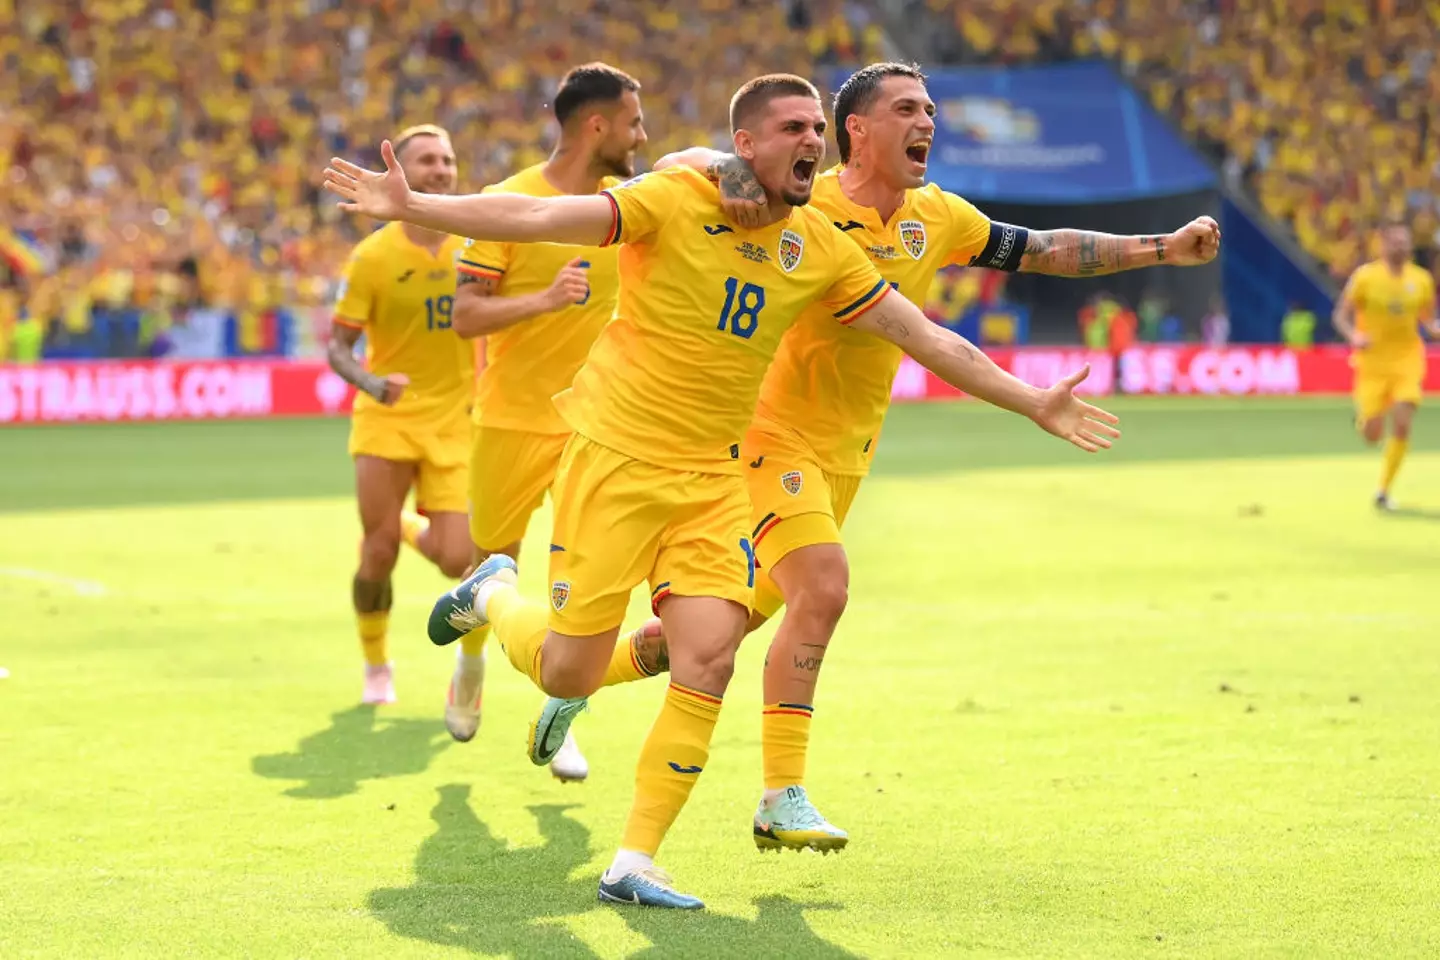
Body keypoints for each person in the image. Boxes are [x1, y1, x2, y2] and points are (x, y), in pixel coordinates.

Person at [324, 73, 1121, 910]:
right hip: (614, 459)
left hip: (713, 476)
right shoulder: (675, 197)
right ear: (744, 147)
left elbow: (923, 335)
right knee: (567, 672)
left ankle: (635, 859)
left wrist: (1031, 399)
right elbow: (535, 216)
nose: (811, 141)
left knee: (707, 652)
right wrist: (416, 207)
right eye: (790, 128)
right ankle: (493, 595)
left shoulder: (819, 248)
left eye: (817, 127)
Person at [588, 61, 1222, 855]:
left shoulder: (938, 216)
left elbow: (1047, 249)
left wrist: (1160, 246)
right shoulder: (801, 193)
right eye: (907, 109)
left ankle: (580, 681)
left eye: (930, 109)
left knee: (730, 626)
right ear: (856, 128)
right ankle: (782, 793)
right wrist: (717, 162)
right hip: (765, 435)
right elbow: (681, 168)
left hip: (845, 452)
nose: (927, 121)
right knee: (824, 585)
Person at [440, 63, 652, 781]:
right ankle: (470, 665)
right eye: (633, 121)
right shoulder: (508, 202)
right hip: (510, 419)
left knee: (585, 583)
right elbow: (465, 315)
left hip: (598, 427)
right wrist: (545, 301)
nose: (642, 135)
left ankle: (561, 715)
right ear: (597, 126)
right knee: (489, 563)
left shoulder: (632, 206)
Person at [325, 125, 474, 705]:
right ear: (401, 173)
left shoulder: (476, 241)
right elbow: (337, 346)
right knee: (376, 552)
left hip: (456, 418)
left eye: (448, 159)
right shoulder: (374, 256)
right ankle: (376, 665)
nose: (441, 169)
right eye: (428, 160)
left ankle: (407, 523)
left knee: (457, 559)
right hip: (387, 418)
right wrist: (370, 381)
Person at [1331, 221, 1439, 509]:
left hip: (1407, 359)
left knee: (1402, 424)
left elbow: (1427, 321)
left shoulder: (1422, 280)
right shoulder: (1365, 278)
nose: (1400, 247)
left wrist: (1435, 329)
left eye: (1405, 242)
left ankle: (1383, 490)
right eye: (1395, 242)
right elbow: (1340, 315)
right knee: (1373, 434)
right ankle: (1364, 422)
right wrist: (1354, 335)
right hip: (1372, 363)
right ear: (1383, 244)